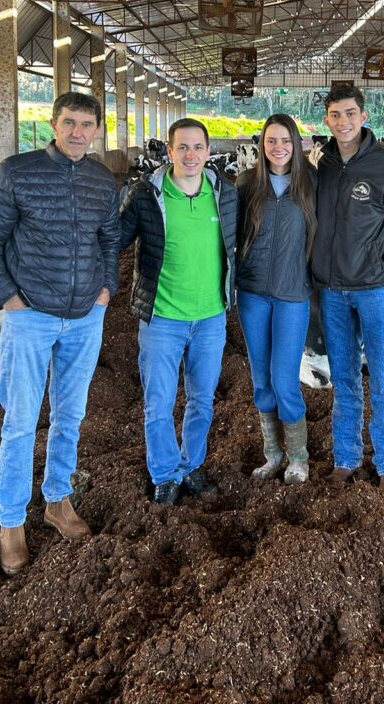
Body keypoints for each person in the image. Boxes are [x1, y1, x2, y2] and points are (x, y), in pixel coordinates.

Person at [0, 91, 120, 576]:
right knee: (20, 420)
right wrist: (6, 296)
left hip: (85, 317)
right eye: (69, 122)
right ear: (53, 124)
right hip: (29, 315)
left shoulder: (102, 180)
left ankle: (57, 500)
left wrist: (107, 287)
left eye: (87, 124)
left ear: (97, 129)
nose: (78, 132)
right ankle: (11, 521)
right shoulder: (16, 172)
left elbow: (111, 237)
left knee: (70, 416)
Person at [311, 82, 384, 495]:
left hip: (377, 290)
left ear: (364, 117)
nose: (342, 122)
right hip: (331, 291)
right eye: (335, 115)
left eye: (349, 114)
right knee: (342, 378)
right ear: (326, 120)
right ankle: (346, 458)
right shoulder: (321, 165)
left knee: (383, 378)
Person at [120, 118, 236, 505]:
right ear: (168, 152)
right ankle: (165, 474)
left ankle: (191, 464)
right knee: (159, 402)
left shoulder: (224, 193)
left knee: (202, 399)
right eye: (181, 147)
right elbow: (113, 240)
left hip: (210, 317)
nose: (190, 155)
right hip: (163, 319)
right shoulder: (145, 195)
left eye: (197, 147)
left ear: (208, 151)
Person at [236, 114, 317, 484]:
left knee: (285, 381)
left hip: (292, 296)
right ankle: (273, 455)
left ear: (297, 144)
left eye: (285, 140)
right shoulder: (245, 186)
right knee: (261, 381)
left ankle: (298, 457)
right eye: (271, 140)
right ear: (261, 145)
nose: (279, 147)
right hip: (252, 295)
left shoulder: (312, 186)